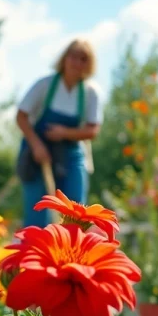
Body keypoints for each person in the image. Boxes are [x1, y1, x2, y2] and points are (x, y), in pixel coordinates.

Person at [16, 39, 102, 228]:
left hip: (70, 154)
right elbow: (21, 116)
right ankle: (34, 254)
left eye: (83, 59)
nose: (77, 63)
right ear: (64, 59)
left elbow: (92, 130)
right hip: (37, 153)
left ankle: (72, 254)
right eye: (73, 57)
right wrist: (37, 146)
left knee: (75, 213)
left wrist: (64, 133)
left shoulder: (90, 92)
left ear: (89, 64)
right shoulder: (44, 85)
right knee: (36, 213)